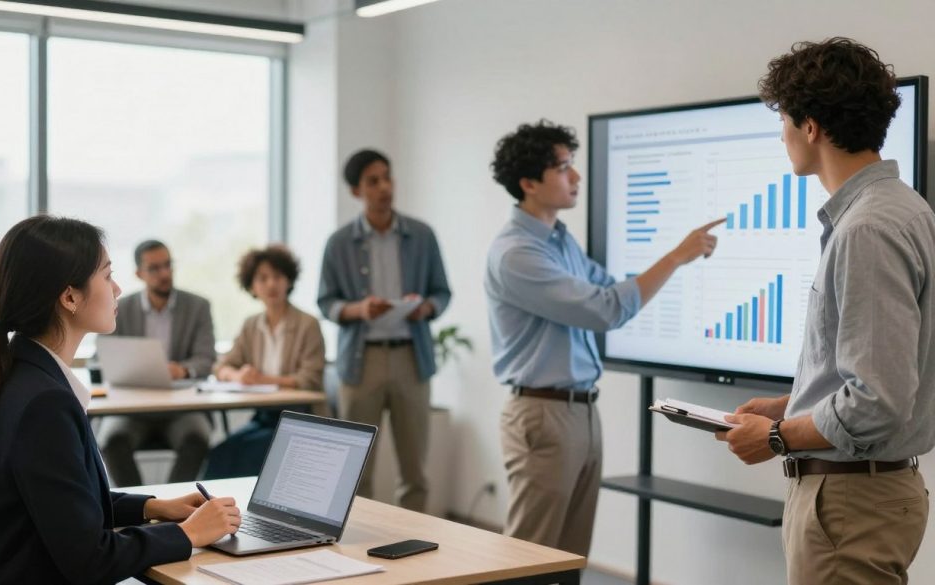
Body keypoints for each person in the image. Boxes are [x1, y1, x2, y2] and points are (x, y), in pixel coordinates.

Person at [717, 38, 934, 585]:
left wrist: (776, 437)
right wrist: (790, 403)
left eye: (785, 121)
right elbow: (881, 374)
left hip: (849, 504)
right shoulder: (902, 210)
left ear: (810, 126)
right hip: (863, 497)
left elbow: (877, 401)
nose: (783, 136)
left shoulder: (868, 229)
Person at [0, 216, 239, 585]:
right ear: (70, 296)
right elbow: (90, 559)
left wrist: (152, 507)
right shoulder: (43, 405)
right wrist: (188, 534)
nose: (119, 289)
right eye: (107, 276)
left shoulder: (16, 374)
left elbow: (64, 505)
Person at [486, 120, 723, 556]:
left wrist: (670, 264)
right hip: (543, 414)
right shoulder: (517, 253)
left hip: (579, 412)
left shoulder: (559, 240)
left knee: (570, 555)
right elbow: (605, 309)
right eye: (563, 168)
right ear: (528, 183)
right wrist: (675, 257)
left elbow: (610, 289)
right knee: (528, 557)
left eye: (573, 165)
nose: (576, 177)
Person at [318, 149, 451, 512]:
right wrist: (358, 309)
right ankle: (357, 548)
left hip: (412, 358)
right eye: (373, 181)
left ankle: (414, 548)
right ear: (355, 191)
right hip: (362, 364)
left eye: (387, 177)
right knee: (356, 471)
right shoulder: (339, 243)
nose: (384, 188)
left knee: (415, 471)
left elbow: (442, 292)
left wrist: (425, 307)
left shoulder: (422, 235)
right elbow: (325, 302)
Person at [98, 239, 216, 486]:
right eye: (155, 268)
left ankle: (174, 509)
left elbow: (206, 360)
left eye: (168, 265)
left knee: (197, 437)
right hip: (131, 408)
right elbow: (102, 355)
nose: (164, 273)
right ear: (139, 273)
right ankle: (138, 508)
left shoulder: (198, 306)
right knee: (110, 439)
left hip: (181, 408)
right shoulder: (120, 308)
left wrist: (182, 369)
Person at [205, 244, 325, 478]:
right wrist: (238, 376)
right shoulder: (251, 325)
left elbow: (310, 379)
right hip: (265, 417)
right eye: (262, 278)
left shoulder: (307, 324)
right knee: (220, 453)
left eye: (278, 277)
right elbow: (221, 367)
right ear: (252, 286)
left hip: (299, 418)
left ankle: (233, 511)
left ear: (289, 281)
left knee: (249, 452)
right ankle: (207, 511)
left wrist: (263, 379)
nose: (271, 284)